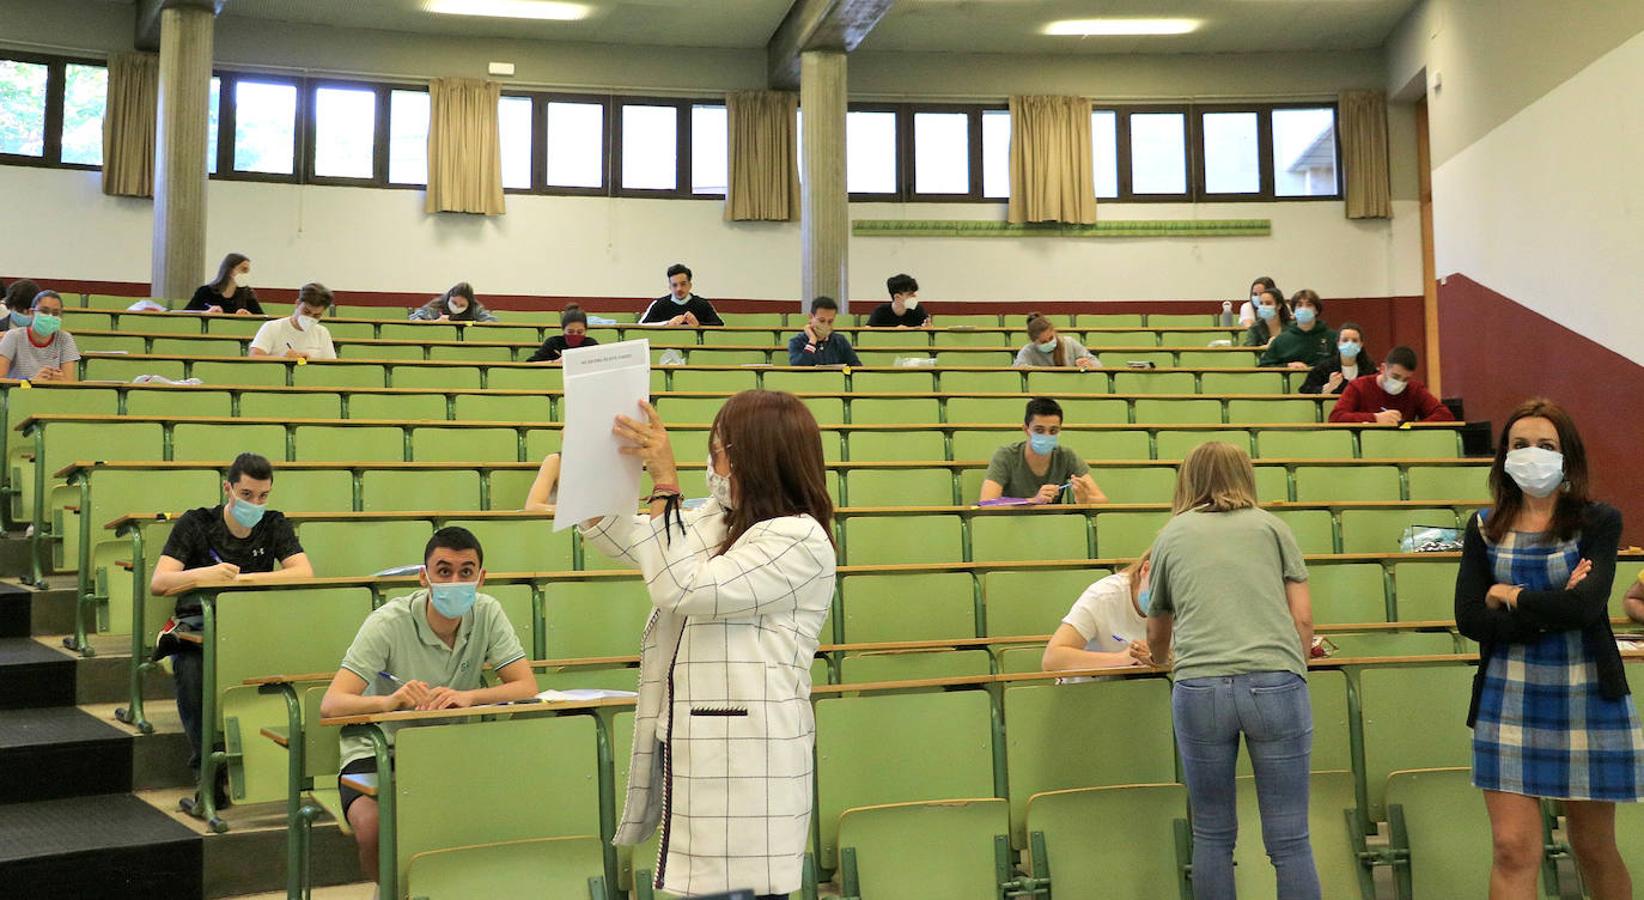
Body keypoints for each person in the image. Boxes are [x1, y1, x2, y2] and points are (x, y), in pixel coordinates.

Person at [578, 390, 836, 900]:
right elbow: (635, 539)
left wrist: (665, 484)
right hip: (702, 746)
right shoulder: (720, 520)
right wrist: (601, 465)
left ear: (753, 457)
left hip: (750, 758)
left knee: (740, 889)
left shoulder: (798, 538)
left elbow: (684, 587)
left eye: (718, 450)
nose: (711, 465)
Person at [1454, 399, 1640, 899]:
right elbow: (1470, 618)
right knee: (1512, 848)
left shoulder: (1599, 521)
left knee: (1594, 848)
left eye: (1545, 445)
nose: (1531, 454)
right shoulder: (1482, 526)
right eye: (1519, 445)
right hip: (1507, 696)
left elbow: (1586, 609)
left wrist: (1511, 596)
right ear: (1503, 456)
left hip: (1588, 697)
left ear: (1567, 457)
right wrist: (1551, 606)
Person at [1146, 441, 1319, 899]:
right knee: (1290, 839)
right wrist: (1292, 665)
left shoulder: (1170, 535)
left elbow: (1157, 622)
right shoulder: (1273, 528)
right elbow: (1302, 617)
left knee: (1213, 834)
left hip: (1200, 686)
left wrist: (1162, 660)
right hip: (1275, 681)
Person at [320, 526, 537, 884]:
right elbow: (331, 704)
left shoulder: (488, 612)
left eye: (466, 572)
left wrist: (469, 697)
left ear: (481, 578)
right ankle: (391, 892)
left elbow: (525, 684)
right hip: (378, 748)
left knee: (499, 814)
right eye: (444, 571)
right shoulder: (386, 623)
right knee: (373, 827)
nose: (455, 580)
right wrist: (391, 702)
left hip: (449, 748)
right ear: (424, 577)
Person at [148, 453, 314, 810]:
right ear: (228, 488)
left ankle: (281, 769)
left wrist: (243, 579)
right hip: (198, 626)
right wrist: (205, 576)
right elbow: (160, 582)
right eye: (247, 494)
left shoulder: (273, 525)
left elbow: (303, 572)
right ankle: (207, 777)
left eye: (263, 495)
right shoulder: (196, 524)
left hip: (253, 624)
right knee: (192, 671)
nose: (255, 503)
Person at [1042, 553, 1156, 680]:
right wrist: (1123, 659)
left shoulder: (1180, 604)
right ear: (1146, 570)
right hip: (1088, 691)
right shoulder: (1103, 595)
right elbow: (1053, 658)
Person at [979, 398, 1107, 504]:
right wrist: (1033, 500)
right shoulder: (1006, 455)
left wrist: (1085, 500)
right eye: (1039, 430)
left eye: (1053, 431)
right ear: (1026, 430)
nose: (1046, 435)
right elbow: (987, 503)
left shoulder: (1066, 456)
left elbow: (1102, 500)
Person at [1327, 346, 1455, 425]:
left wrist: (1411, 426)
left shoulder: (1415, 389)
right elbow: (1336, 417)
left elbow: (1445, 415)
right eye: (1395, 377)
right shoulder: (1358, 386)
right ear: (1383, 369)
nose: (1400, 383)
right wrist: (1374, 418)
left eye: (1406, 379)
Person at [0, 290, 79, 382]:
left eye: (55, 313)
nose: (50, 316)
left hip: (52, 394)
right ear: (31, 312)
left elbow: (69, 382)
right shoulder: (13, 336)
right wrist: (32, 382)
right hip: (19, 394)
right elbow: (1, 380)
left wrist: (61, 380)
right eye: (44, 311)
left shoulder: (65, 338)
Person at [248, 282, 337, 360]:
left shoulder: (322, 332)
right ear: (297, 304)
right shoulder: (272, 327)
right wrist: (283, 359)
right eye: (306, 312)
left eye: (316, 315)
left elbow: (331, 364)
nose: (310, 318)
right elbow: (254, 357)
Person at [1258, 290, 1336, 369]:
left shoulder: (1332, 337)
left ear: (1316, 310)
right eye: (1299, 305)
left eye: (1309, 305)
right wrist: (1287, 365)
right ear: (1294, 311)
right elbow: (1264, 366)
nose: (1304, 308)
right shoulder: (1281, 340)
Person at [1298, 322, 1372, 395]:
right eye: (1345, 340)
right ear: (1338, 343)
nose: (1350, 344)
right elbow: (1305, 391)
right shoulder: (1324, 368)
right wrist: (1328, 387)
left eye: (1355, 340)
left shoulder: (1369, 369)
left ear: (1361, 344)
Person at [638, 263, 723, 327]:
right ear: (670, 287)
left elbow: (721, 326)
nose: (679, 289)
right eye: (674, 285)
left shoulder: (703, 304)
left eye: (683, 284)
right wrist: (667, 323)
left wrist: (698, 325)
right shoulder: (659, 304)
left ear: (690, 285)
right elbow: (640, 326)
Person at [788, 296, 862, 367]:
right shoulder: (796, 341)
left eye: (830, 321)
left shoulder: (840, 341)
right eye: (821, 320)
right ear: (811, 317)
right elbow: (798, 367)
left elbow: (856, 366)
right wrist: (812, 341)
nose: (826, 325)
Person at [1013, 313, 1099, 369]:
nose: (1048, 343)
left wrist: (1089, 364)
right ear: (1034, 341)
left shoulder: (1069, 343)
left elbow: (1098, 365)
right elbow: (1016, 370)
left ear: (1054, 332)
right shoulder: (1028, 351)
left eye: (1051, 338)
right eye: (1043, 342)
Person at [186, 253, 263, 315]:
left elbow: (262, 318)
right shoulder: (205, 291)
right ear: (230, 270)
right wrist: (206, 312)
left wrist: (249, 315)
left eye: (248, 270)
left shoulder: (248, 293)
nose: (246, 274)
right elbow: (185, 313)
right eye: (243, 269)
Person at [526, 304, 598, 363]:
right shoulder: (553, 343)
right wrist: (555, 362)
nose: (575, 334)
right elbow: (530, 363)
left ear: (586, 330)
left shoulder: (591, 345)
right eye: (570, 332)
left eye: (580, 332)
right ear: (563, 329)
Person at [409, 281, 497, 323]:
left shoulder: (475, 308)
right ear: (449, 297)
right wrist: (434, 322)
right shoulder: (437, 304)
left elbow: (492, 322)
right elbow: (414, 318)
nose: (457, 307)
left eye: (462, 305)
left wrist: (473, 324)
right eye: (454, 303)